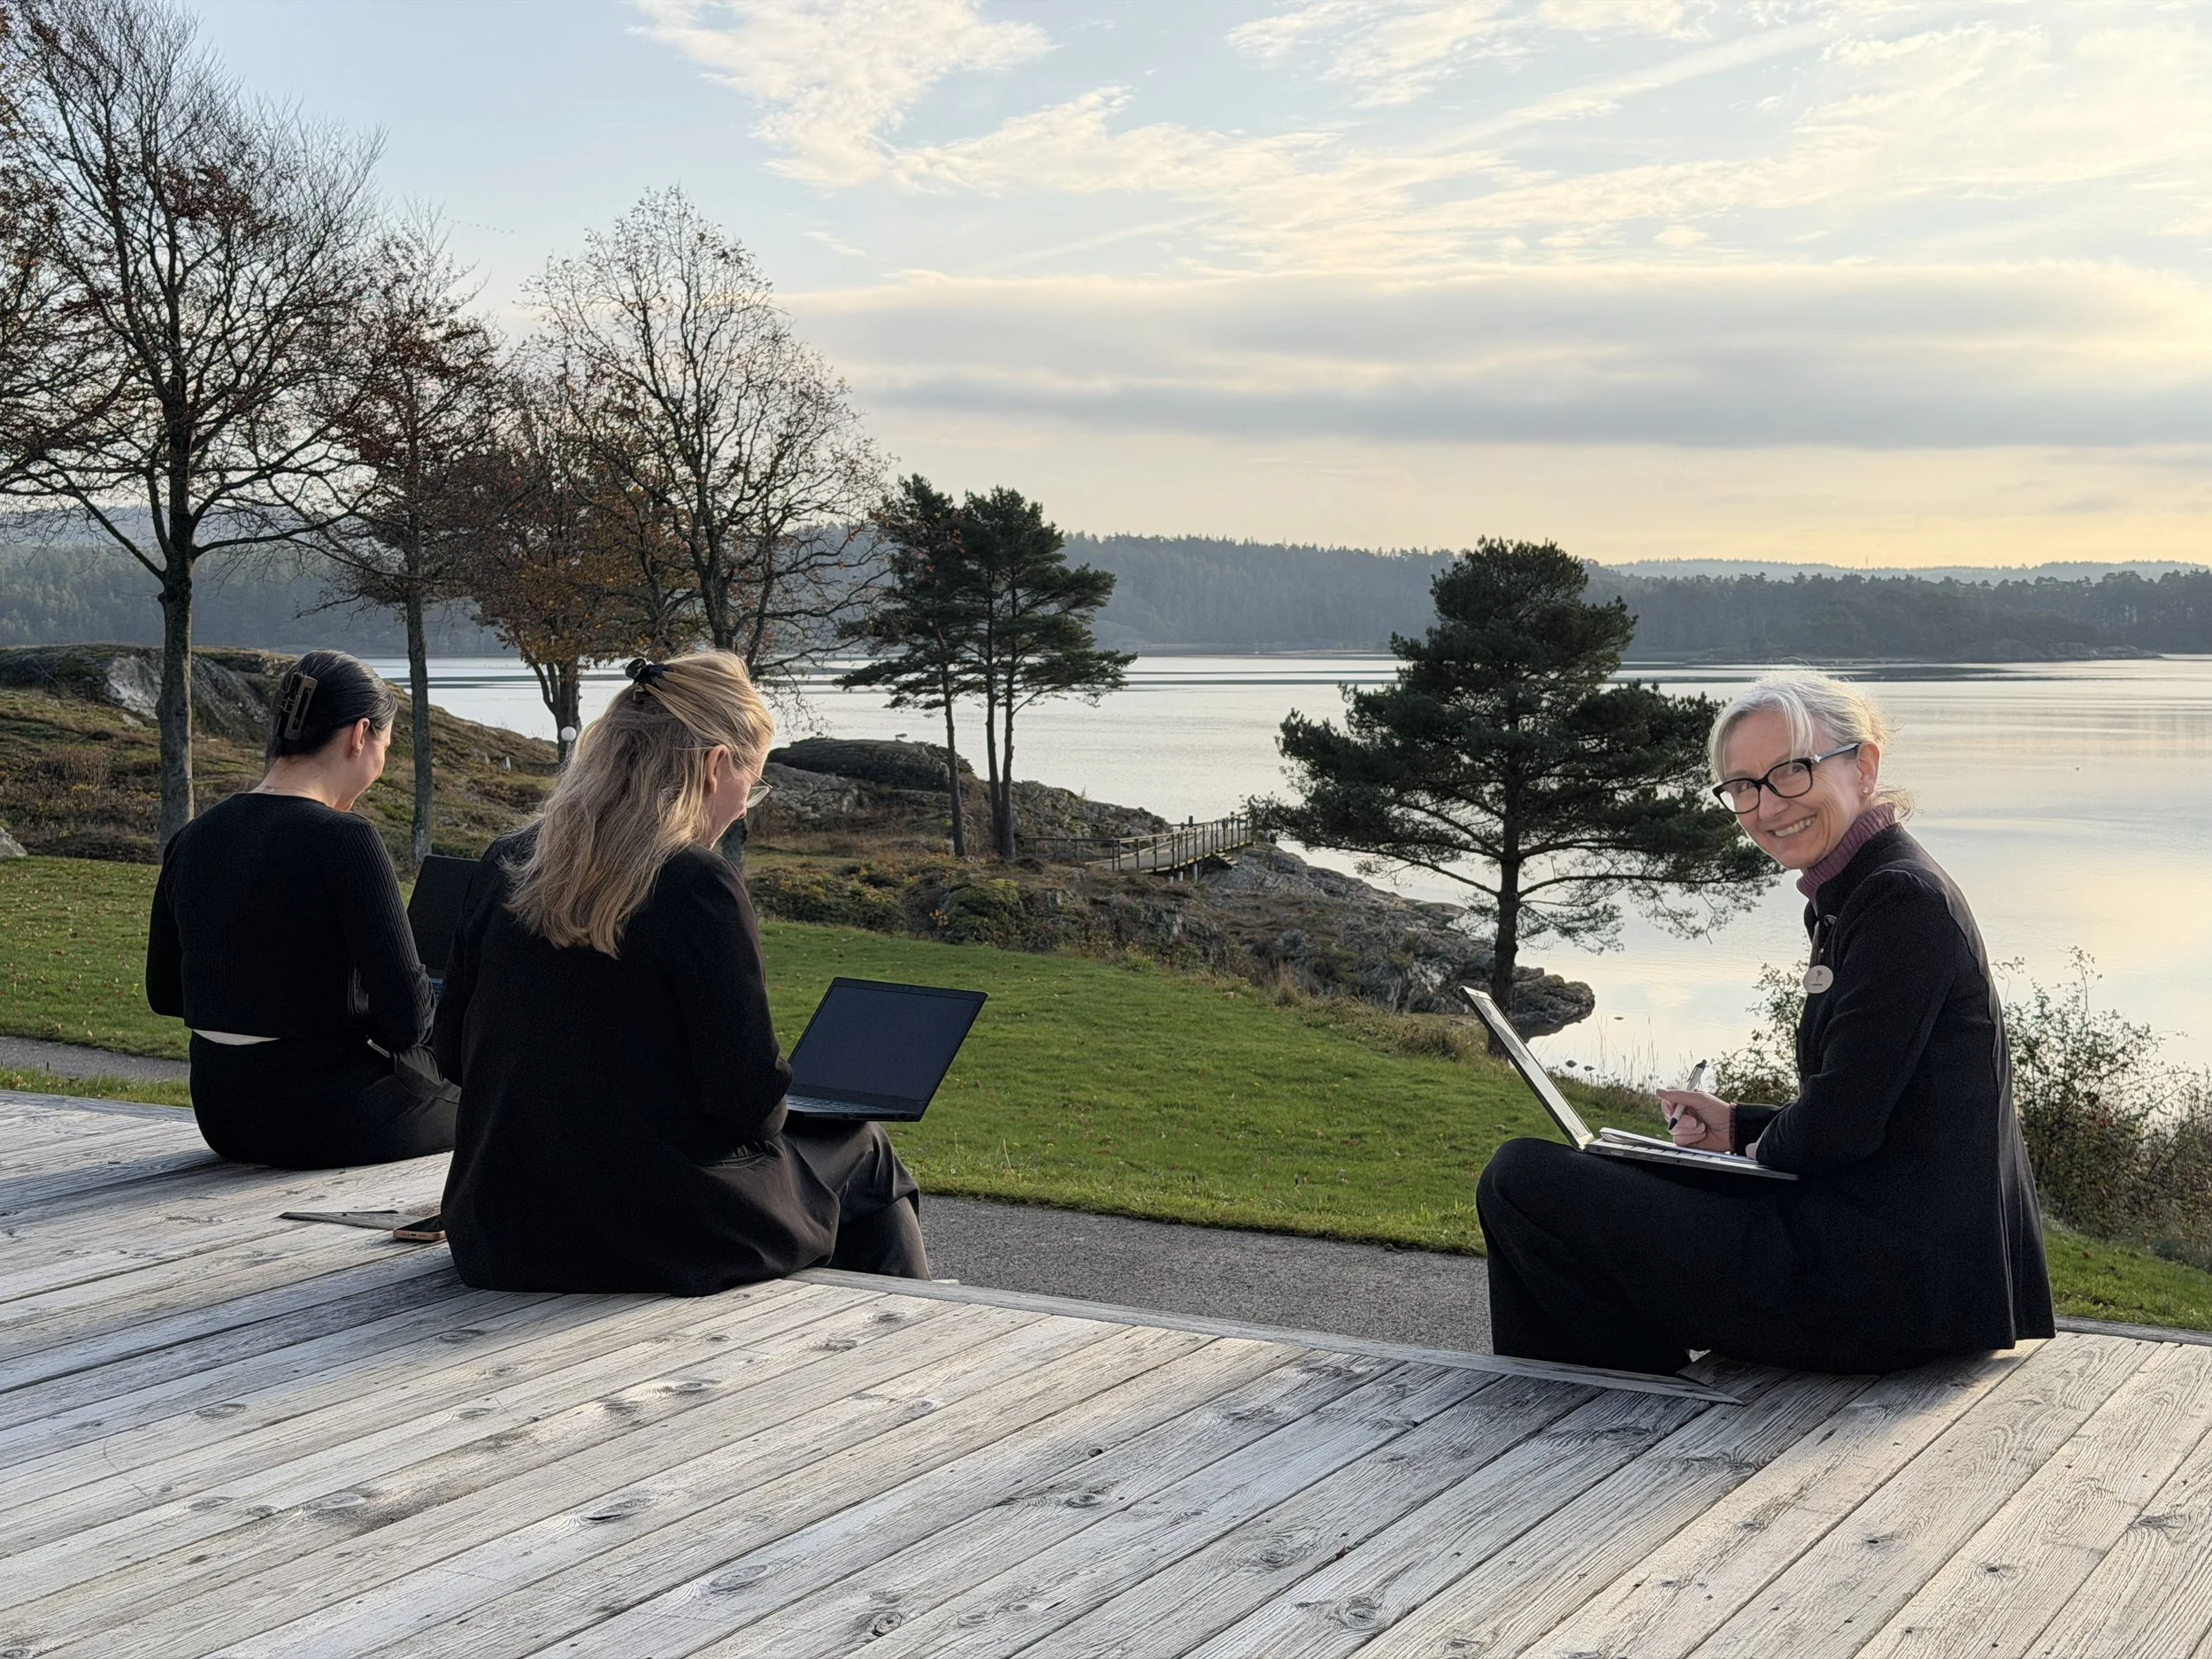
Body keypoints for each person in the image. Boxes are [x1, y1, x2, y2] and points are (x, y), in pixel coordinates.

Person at [1477, 670, 2054, 1375]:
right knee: (1579, 1179)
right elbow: (1870, 1100)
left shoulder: (1898, 898)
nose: (1766, 805)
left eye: (1790, 771)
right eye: (1743, 786)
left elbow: (1841, 1125)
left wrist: (1745, 1152)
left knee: (1522, 1179)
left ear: (1864, 766)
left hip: (1886, 1290)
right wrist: (1735, 1128)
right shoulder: (1860, 889)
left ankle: (1614, 1406)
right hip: (1881, 1259)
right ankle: (1607, 1399)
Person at [433, 651, 930, 1295]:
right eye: (752, 782)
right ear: (716, 764)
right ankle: (907, 1342)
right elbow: (748, 1110)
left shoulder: (508, 859)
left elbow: (451, 1055)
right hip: (650, 1232)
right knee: (866, 1152)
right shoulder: (695, 882)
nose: (746, 807)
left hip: (501, 1230)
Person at [146, 649, 458, 1168]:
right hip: (331, 1119)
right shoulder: (346, 840)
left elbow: (165, 992)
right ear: (360, 735)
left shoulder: (193, 837)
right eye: (385, 743)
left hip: (222, 1115)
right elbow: (408, 1021)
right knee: (491, 1102)